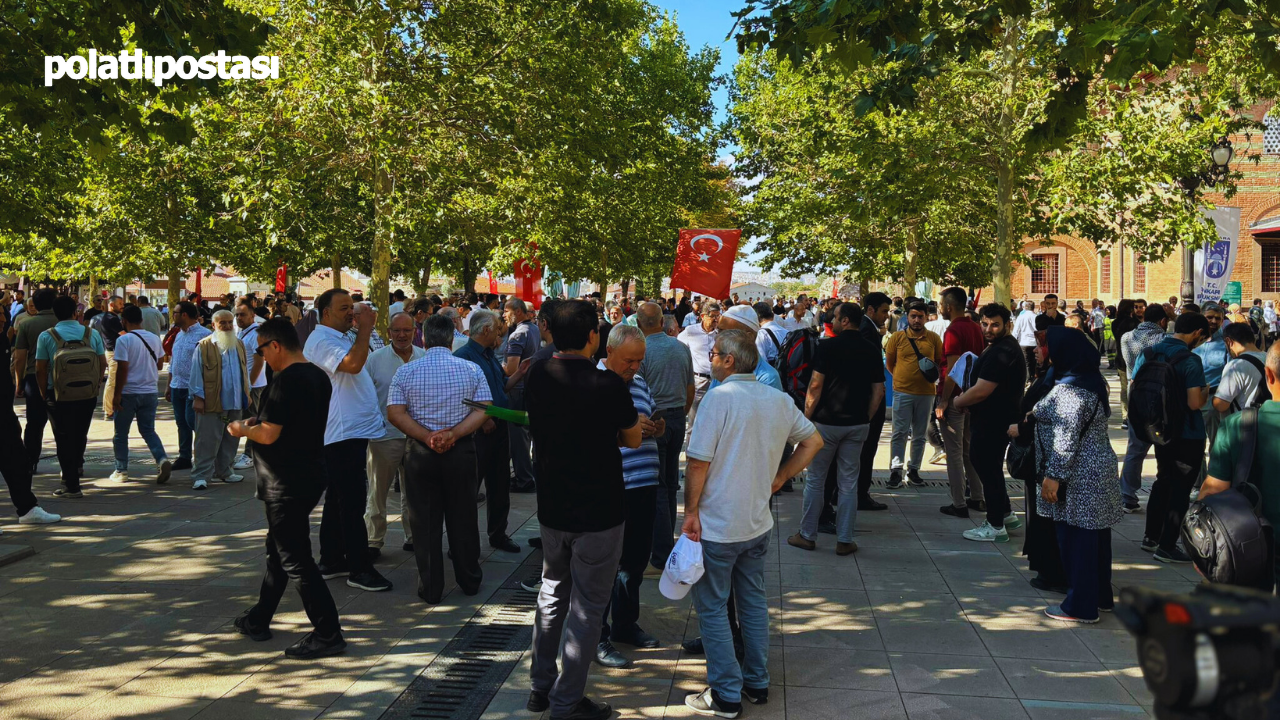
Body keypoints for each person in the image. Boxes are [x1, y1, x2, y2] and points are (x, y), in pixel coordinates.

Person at [683, 329, 822, 718]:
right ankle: (756, 683)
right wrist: (780, 477)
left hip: (718, 524)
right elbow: (813, 441)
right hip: (756, 523)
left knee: (712, 607)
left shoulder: (718, 399)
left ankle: (726, 694)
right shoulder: (776, 399)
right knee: (753, 602)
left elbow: (697, 462)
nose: (709, 359)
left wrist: (690, 512)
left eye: (713, 354)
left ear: (729, 360)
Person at [525, 300, 642, 720]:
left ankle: (541, 686)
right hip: (599, 512)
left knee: (552, 594)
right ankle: (566, 700)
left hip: (552, 508)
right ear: (594, 336)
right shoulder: (607, 384)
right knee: (589, 608)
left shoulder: (537, 372)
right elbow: (632, 440)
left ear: (551, 333)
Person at [229, 319, 346, 659]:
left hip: (285, 481)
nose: (261, 357)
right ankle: (258, 618)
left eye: (261, 350)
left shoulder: (286, 380)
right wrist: (259, 423)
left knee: (295, 559)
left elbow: (268, 434)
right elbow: (288, 421)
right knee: (278, 552)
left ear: (275, 345)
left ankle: (328, 632)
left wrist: (240, 429)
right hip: (309, 474)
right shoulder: (317, 376)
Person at [387, 315, 492, 604]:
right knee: (464, 516)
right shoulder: (470, 368)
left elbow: (395, 412)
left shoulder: (407, 372)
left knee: (424, 522)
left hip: (421, 453)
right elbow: (484, 408)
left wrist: (426, 436)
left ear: (423, 337)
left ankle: (431, 587)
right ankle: (469, 580)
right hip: (460, 451)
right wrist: (454, 435)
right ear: (451, 337)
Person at [1027, 327, 1121, 622]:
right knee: (1095, 540)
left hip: (1079, 476)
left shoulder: (1070, 392)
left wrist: (1053, 476)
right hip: (1095, 470)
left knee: (1076, 541)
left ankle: (1080, 605)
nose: (1038, 351)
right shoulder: (1089, 380)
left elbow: (1065, 438)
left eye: (1046, 347)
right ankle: (1100, 596)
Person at [303, 289, 394, 592]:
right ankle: (359, 568)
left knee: (338, 499)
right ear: (325, 313)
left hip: (353, 431)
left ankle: (331, 559)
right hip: (339, 432)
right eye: (344, 308)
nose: (350, 314)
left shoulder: (342, 335)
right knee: (353, 501)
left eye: (351, 308)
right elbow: (353, 365)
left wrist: (362, 330)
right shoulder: (321, 340)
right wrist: (366, 328)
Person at [787, 302, 883, 554]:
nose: (832, 319)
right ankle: (845, 539)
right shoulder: (872, 349)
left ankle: (807, 534)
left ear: (844, 321)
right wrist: (866, 417)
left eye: (836, 316)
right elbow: (878, 390)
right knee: (848, 483)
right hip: (857, 423)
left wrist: (806, 418)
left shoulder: (827, 347)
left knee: (816, 480)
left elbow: (815, 387)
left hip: (826, 423)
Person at [595, 325, 664, 669]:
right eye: (629, 360)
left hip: (644, 483)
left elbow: (646, 417)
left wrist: (654, 425)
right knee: (606, 565)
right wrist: (629, 424)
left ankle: (625, 624)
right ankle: (598, 635)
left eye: (639, 361)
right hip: (613, 485)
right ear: (609, 352)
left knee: (634, 562)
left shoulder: (638, 382)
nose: (634, 367)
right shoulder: (595, 382)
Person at [1128, 311, 1210, 563]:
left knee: (1163, 481)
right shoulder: (1190, 360)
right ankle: (1167, 545)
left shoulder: (1149, 352)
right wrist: (1206, 391)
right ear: (1197, 333)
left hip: (1159, 431)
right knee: (1181, 488)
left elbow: (1135, 386)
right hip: (1187, 433)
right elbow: (1195, 402)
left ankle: (1150, 537)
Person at [1199, 342, 1280, 580]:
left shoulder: (1238, 425)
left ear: (1268, 375)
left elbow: (1214, 489)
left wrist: (1203, 546)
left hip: (1250, 550)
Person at [456, 308, 531, 553]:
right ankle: (463, 540)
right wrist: (482, 417)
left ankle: (498, 533)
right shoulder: (464, 357)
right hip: (478, 431)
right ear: (486, 329)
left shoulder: (488, 355)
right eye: (498, 326)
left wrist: (519, 374)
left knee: (499, 484)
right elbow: (461, 398)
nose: (501, 330)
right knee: (469, 487)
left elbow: (502, 387)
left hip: (499, 427)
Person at [954, 303, 1026, 542]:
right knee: (990, 466)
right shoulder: (998, 347)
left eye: (995, 324)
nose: (989, 329)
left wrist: (957, 401)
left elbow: (982, 390)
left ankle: (995, 526)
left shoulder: (1002, 350)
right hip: (993, 418)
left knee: (986, 466)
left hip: (994, 420)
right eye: (985, 324)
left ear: (1008, 325)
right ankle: (1004, 513)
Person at [636, 302, 694, 571]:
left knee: (660, 487)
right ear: (661, 321)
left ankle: (660, 553)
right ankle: (664, 546)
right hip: (675, 417)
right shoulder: (681, 347)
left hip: (655, 420)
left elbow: (637, 390)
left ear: (638, 324)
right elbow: (690, 387)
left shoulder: (643, 351)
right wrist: (679, 413)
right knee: (669, 485)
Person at [363, 312, 425, 556]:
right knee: (378, 492)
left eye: (406, 331)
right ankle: (373, 541)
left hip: (417, 438)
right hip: (384, 437)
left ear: (414, 332)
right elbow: (366, 398)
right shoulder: (374, 360)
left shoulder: (424, 358)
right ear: (388, 332)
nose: (401, 335)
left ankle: (413, 536)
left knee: (415, 493)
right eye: (396, 330)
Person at [34, 295, 107, 498]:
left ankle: (71, 484)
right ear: (76, 312)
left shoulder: (47, 336)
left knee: (62, 437)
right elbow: (102, 362)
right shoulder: (90, 333)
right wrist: (96, 383)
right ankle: (74, 471)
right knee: (80, 433)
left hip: (57, 394)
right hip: (86, 394)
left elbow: (40, 368)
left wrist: (43, 391)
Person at [0, 309, 60, 524]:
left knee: (18, 462)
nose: (3, 319)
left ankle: (27, 508)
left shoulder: (3, 339)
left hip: (4, 415)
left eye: (2, 314)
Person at [934, 287, 987, 518]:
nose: (939, 308)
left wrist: (945, 400)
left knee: (954, 452)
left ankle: (958, 503)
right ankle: (978, 497)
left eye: (941, 304)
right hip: (971, 396)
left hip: (956, 398)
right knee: (968, 450)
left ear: (948, 306)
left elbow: (953, 369)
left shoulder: (954, 330)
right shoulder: (974, 327)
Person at [109, 305, 172, 484]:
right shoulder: (153, 338)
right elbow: (160, 365)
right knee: (148, 430)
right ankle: (162, 459)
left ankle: (121, 470)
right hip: (150, 391)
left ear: (124, 321)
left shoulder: (124, 340)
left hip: (129, 392)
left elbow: (122, 369)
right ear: (141, 320)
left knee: (121, 433)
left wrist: (116, 394)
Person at [188, 310, 250, 490]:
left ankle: (225, 471)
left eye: (230, 322)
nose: (228, 326)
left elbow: (244, 372)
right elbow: (196, 375)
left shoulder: (238, 344)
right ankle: (201, 475)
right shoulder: (204, 346)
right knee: (207, 439)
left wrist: (247, 394)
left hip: (235, 401)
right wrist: (198, 398)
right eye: (223, 323)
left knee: (231, 438)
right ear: (213, 325)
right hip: (212, 402)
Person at [885, 300, 943, 488]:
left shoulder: (934, 338)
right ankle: (896, 470)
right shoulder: (897, 338)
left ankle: (914, 470)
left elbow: (939, 363)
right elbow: (890, 363)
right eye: (913, 316)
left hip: (926, 393)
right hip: (902, 392)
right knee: (899, 433)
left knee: (919, 434)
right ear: (907, 317)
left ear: (927, 317)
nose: (917, 320)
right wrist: (902, 379)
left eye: (920, 316)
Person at [11, 288, 58, 475]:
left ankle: (30, 461)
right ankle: (73, 463)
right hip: (62, 378)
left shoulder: (27, 324)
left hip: (32, 377)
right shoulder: (62, 323)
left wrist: (19, 382)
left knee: (34, 423)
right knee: (63, 423)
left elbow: (19, 357)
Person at [166, 302, 211, 472]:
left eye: (175, 312)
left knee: (193, 422)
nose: (173, 315)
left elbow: (209, 364)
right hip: (177, 385)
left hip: (194, 388)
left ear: (184, 314)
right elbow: (173, 360)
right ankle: (184, 456)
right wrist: (169, 384)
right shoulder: (179, 334)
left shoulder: (205, 335)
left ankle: (204, 456)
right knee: (181, 423)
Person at [503, 298, 540, 492]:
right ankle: (523, 475)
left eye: (506, 311)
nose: (503, 314)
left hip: (517, 390)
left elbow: (511, 369)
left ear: (518, 311)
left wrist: (496, 366)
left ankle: (524, 479)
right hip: (527, 388)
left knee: (518, 437)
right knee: (521, 437)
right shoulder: (533, 328)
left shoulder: (518, 334)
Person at [232, 299, 269, 471]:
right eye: (237, 315)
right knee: (245, 419)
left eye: (243, 315)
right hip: (244, 385)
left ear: (253, 315)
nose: (239, 318)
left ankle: (249, 455)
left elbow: (259, 362)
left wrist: (250, 385)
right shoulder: (242, 333)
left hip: (254, 386)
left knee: (252, 420)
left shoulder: (255, 334)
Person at [710, 305, 783, 390]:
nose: (717, 337)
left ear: (749, 337)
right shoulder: (722, 366)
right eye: (718, 331)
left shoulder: (767, 377)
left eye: (725, 333)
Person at [678, 301, 721, 433]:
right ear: (702, 316)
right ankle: (690, 451)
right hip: (698, 382)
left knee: (715, 422)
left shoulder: (721, 334)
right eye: (712, 316)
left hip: (717, 382)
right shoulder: (691, 332)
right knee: (693, 423)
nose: (715, 319)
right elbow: (678, 349)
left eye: (718, 316)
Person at [1213, 322, 1269, 415]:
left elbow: (1221, 405)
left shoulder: (1236, 365)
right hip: (1268, 422)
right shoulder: (1270, 357)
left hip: (1245, 424)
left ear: (1229, 341)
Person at [753, 302, 785, 367]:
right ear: (773, 315)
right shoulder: (787, 332)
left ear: (756, 317)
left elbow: (762, 363)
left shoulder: (761, 334)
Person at [1012, 300, 1039, 376]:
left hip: (1023, 342)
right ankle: (1033, 377)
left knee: (1026, 362)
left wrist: (1013, 341)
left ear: (1025, 307)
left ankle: (1027, 378)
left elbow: (1016, 331)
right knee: (1034, 362)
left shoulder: (1021, 317)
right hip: (1034, 342)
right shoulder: (1036, 317)